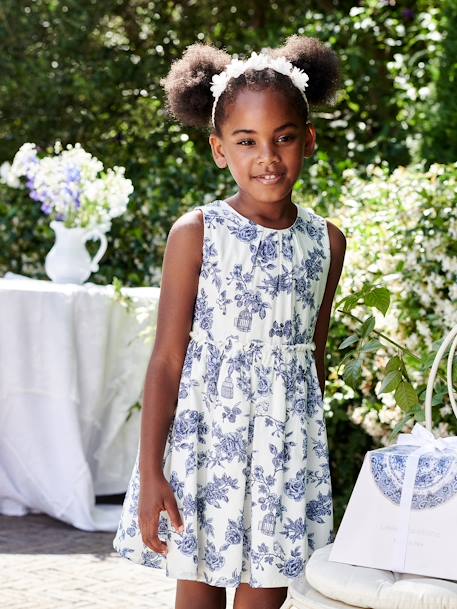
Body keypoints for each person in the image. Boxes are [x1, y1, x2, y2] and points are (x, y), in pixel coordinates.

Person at [113, 34, 346, 609]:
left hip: (283, 458)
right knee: (197, 597)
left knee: (265, 600)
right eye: (246, 141)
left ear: (308, 140)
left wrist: (307, 468)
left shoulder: (327, 242)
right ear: (220, 150)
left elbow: (312, 359)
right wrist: (151, 477)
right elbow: (167, 359)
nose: (267, 157)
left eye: (284, 138)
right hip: (204, 450)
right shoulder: (197, 233)